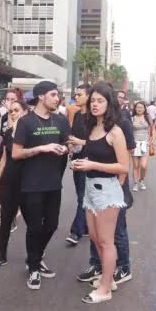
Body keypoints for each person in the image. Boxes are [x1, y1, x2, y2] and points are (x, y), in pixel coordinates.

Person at [71, 82, 129, 304]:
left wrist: (91, 164)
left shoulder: (116, 131)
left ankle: (105, 288)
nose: (94, 104)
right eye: (92, 100)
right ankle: (107, 278)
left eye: (100, 101)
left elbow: (123, 167)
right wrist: (84, 163)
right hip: (90, 188)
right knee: (95, 238)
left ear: (109, 103)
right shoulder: (92, 128)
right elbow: (97, 156)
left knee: (106, 242)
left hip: (107, 191)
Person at [12, 80, 70, 290]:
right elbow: (16, 153)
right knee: (35, 227)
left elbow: (65, 144)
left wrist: (65, 149)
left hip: (54, 183)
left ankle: (34, 257)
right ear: (41, 96)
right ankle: (34, 267)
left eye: (58, 95)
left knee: (52, 225)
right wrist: (42, 148)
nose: (57, 99)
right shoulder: (26, 122)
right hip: (30, 183)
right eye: (54, 95)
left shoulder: (61, 120)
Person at [0, 100, 28, 269]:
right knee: (5, 219)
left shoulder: (31, 133)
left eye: (16, 110)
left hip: (27, 182)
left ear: (25, 112)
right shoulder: (9, 132)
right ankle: (1, 255)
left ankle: (35, 257)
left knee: (34, 221)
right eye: (10, 111)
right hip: (9, 181)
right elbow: (3, 157)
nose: (13, 114)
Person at [65, 83, 92, 246]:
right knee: (81, 195)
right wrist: (70, 144)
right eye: (76, 94)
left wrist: (81, 141)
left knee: (83, 196)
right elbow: (73, 135)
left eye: (79, 94)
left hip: (89, 161)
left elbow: (99, 142)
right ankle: (87, 226)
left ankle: (76, 231)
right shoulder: (76, 115)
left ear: (88, 96)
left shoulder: (94, 117)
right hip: (76, 158)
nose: (76, 97)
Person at [131, 101, 153, 192]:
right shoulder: (132, 118)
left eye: (141, 107)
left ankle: (142, 180)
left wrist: (151, 140)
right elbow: (129, 132)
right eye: (138, 107)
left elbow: (152, 130)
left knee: (143, 165)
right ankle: (136, 183)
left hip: (145, 144)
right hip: (135, 144)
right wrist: (130, 144)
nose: (139, 109)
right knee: (136, 165)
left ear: (144, 109)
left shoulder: (148, 117)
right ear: (135, 109)